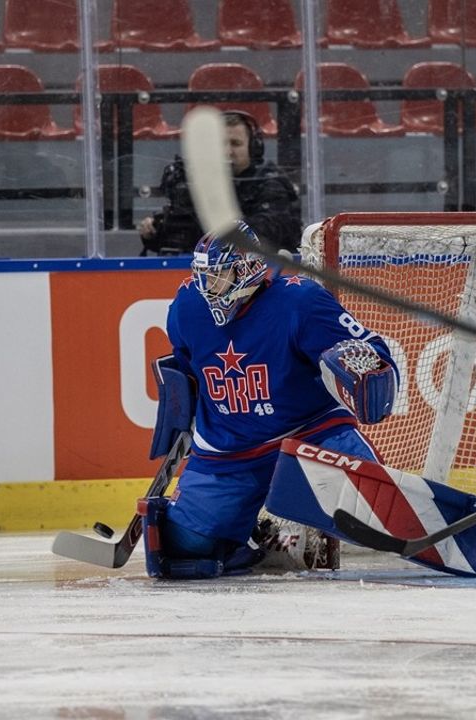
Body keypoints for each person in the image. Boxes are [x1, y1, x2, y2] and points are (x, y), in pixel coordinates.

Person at [142, 221, 398, 579]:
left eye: (217, 276)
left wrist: (365, 366)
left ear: (247, 268)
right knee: (186, 548)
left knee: (376, 511)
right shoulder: (187, 307)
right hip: (228, 449)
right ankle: (250, 541)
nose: (206, 287)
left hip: (309, 434)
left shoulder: (300, 301)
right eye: (202, 276)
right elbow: (186, 372)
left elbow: (371, 351)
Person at [138, 111, 301, 255]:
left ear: (253, 148)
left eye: (235, 143)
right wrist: (154, 231)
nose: (227, 151)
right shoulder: (201, 179)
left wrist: (212, 228)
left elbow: (265, 232)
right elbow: (186, 236)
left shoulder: (271, 182)